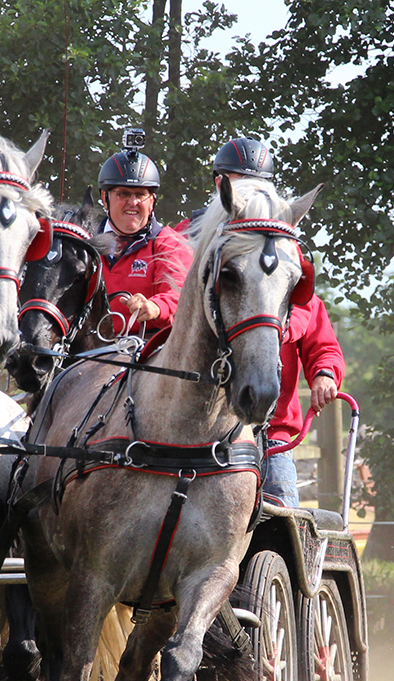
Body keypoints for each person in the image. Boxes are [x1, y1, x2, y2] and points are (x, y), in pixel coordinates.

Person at [178, 137, 345, 507]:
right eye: (236, 182)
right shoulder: (185, 239)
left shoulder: (285, 261)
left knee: (284, 518)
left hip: (272, 433)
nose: (245, 193)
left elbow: (322, 339)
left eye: (255, 184)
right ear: (219, 185)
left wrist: (325, 374)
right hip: (191, 434)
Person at [96, 134, 193, 339]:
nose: (133, 203)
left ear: (152, 202)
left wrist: (155, 307)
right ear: (105, 198)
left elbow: (180, 295)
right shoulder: (85, 241)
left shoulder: (170, 243)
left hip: (145, 350)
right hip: (83, 351)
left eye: (140, 195)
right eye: (123, 194)